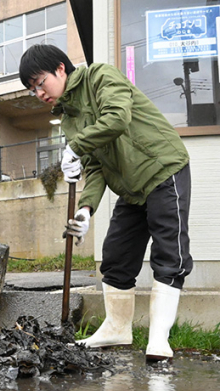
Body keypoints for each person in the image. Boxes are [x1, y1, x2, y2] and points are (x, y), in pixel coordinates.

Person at [19, 44, 192, 362]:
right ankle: (117, 329)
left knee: (169, 252)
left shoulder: (99, 77)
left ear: (60, 68)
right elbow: (96, 166)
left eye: (40, 82)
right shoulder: (69, 121)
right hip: (129, 187)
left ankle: (158, 338)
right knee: (116, 256)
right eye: (32, 90)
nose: (39, 93)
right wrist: (86, 209)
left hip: (161, 167)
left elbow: (117, 118)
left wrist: (76, 147)